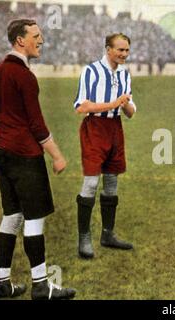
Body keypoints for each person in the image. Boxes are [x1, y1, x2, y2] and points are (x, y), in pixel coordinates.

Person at [0, 19, 76, 300]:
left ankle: (2, 283)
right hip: (23, 154)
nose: (41, 41)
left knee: (11, 216)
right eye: (36, 36)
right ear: (20, 41)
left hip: (1, 150)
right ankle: (41, 285)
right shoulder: (24, 77)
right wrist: (58, 155)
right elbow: (37, 125)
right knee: (34, 218)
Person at [73, 33, 137, 259]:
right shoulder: (91, 71)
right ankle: (84, 238)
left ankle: (108, 234)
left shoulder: (125, 74)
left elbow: (130, 112)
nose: (124, 54)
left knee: (111, 183)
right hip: (95, 129)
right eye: (120, 50)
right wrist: (114, 103)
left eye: (127, 50)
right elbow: (81, 107)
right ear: (108, 49)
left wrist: (126, 104)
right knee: (91, 182)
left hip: (115, 128)